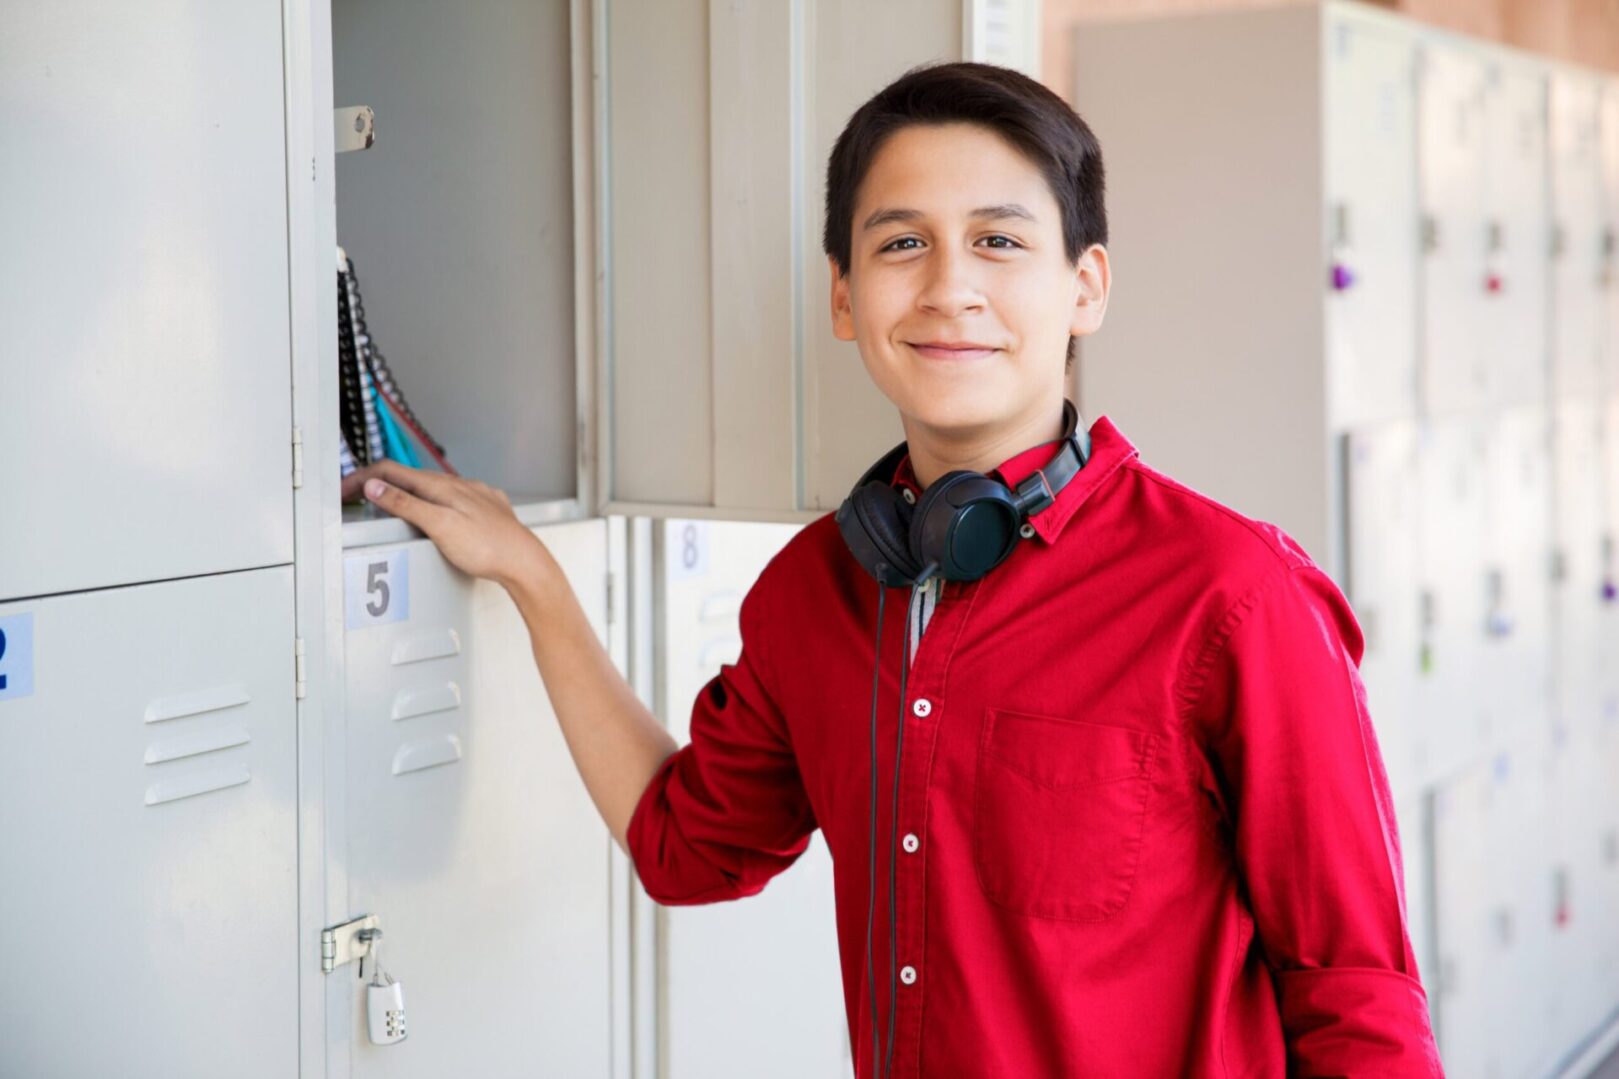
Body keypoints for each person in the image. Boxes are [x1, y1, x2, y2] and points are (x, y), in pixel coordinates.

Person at [342, 61, 1443, 1078]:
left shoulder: (1230, 594)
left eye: (1000, 242)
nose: (946, 288)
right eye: (900, 243)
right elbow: (685, 847)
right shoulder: (810, 592)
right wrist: (535, 579)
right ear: (842, 294)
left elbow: (1357, 995)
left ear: (1085, 287)